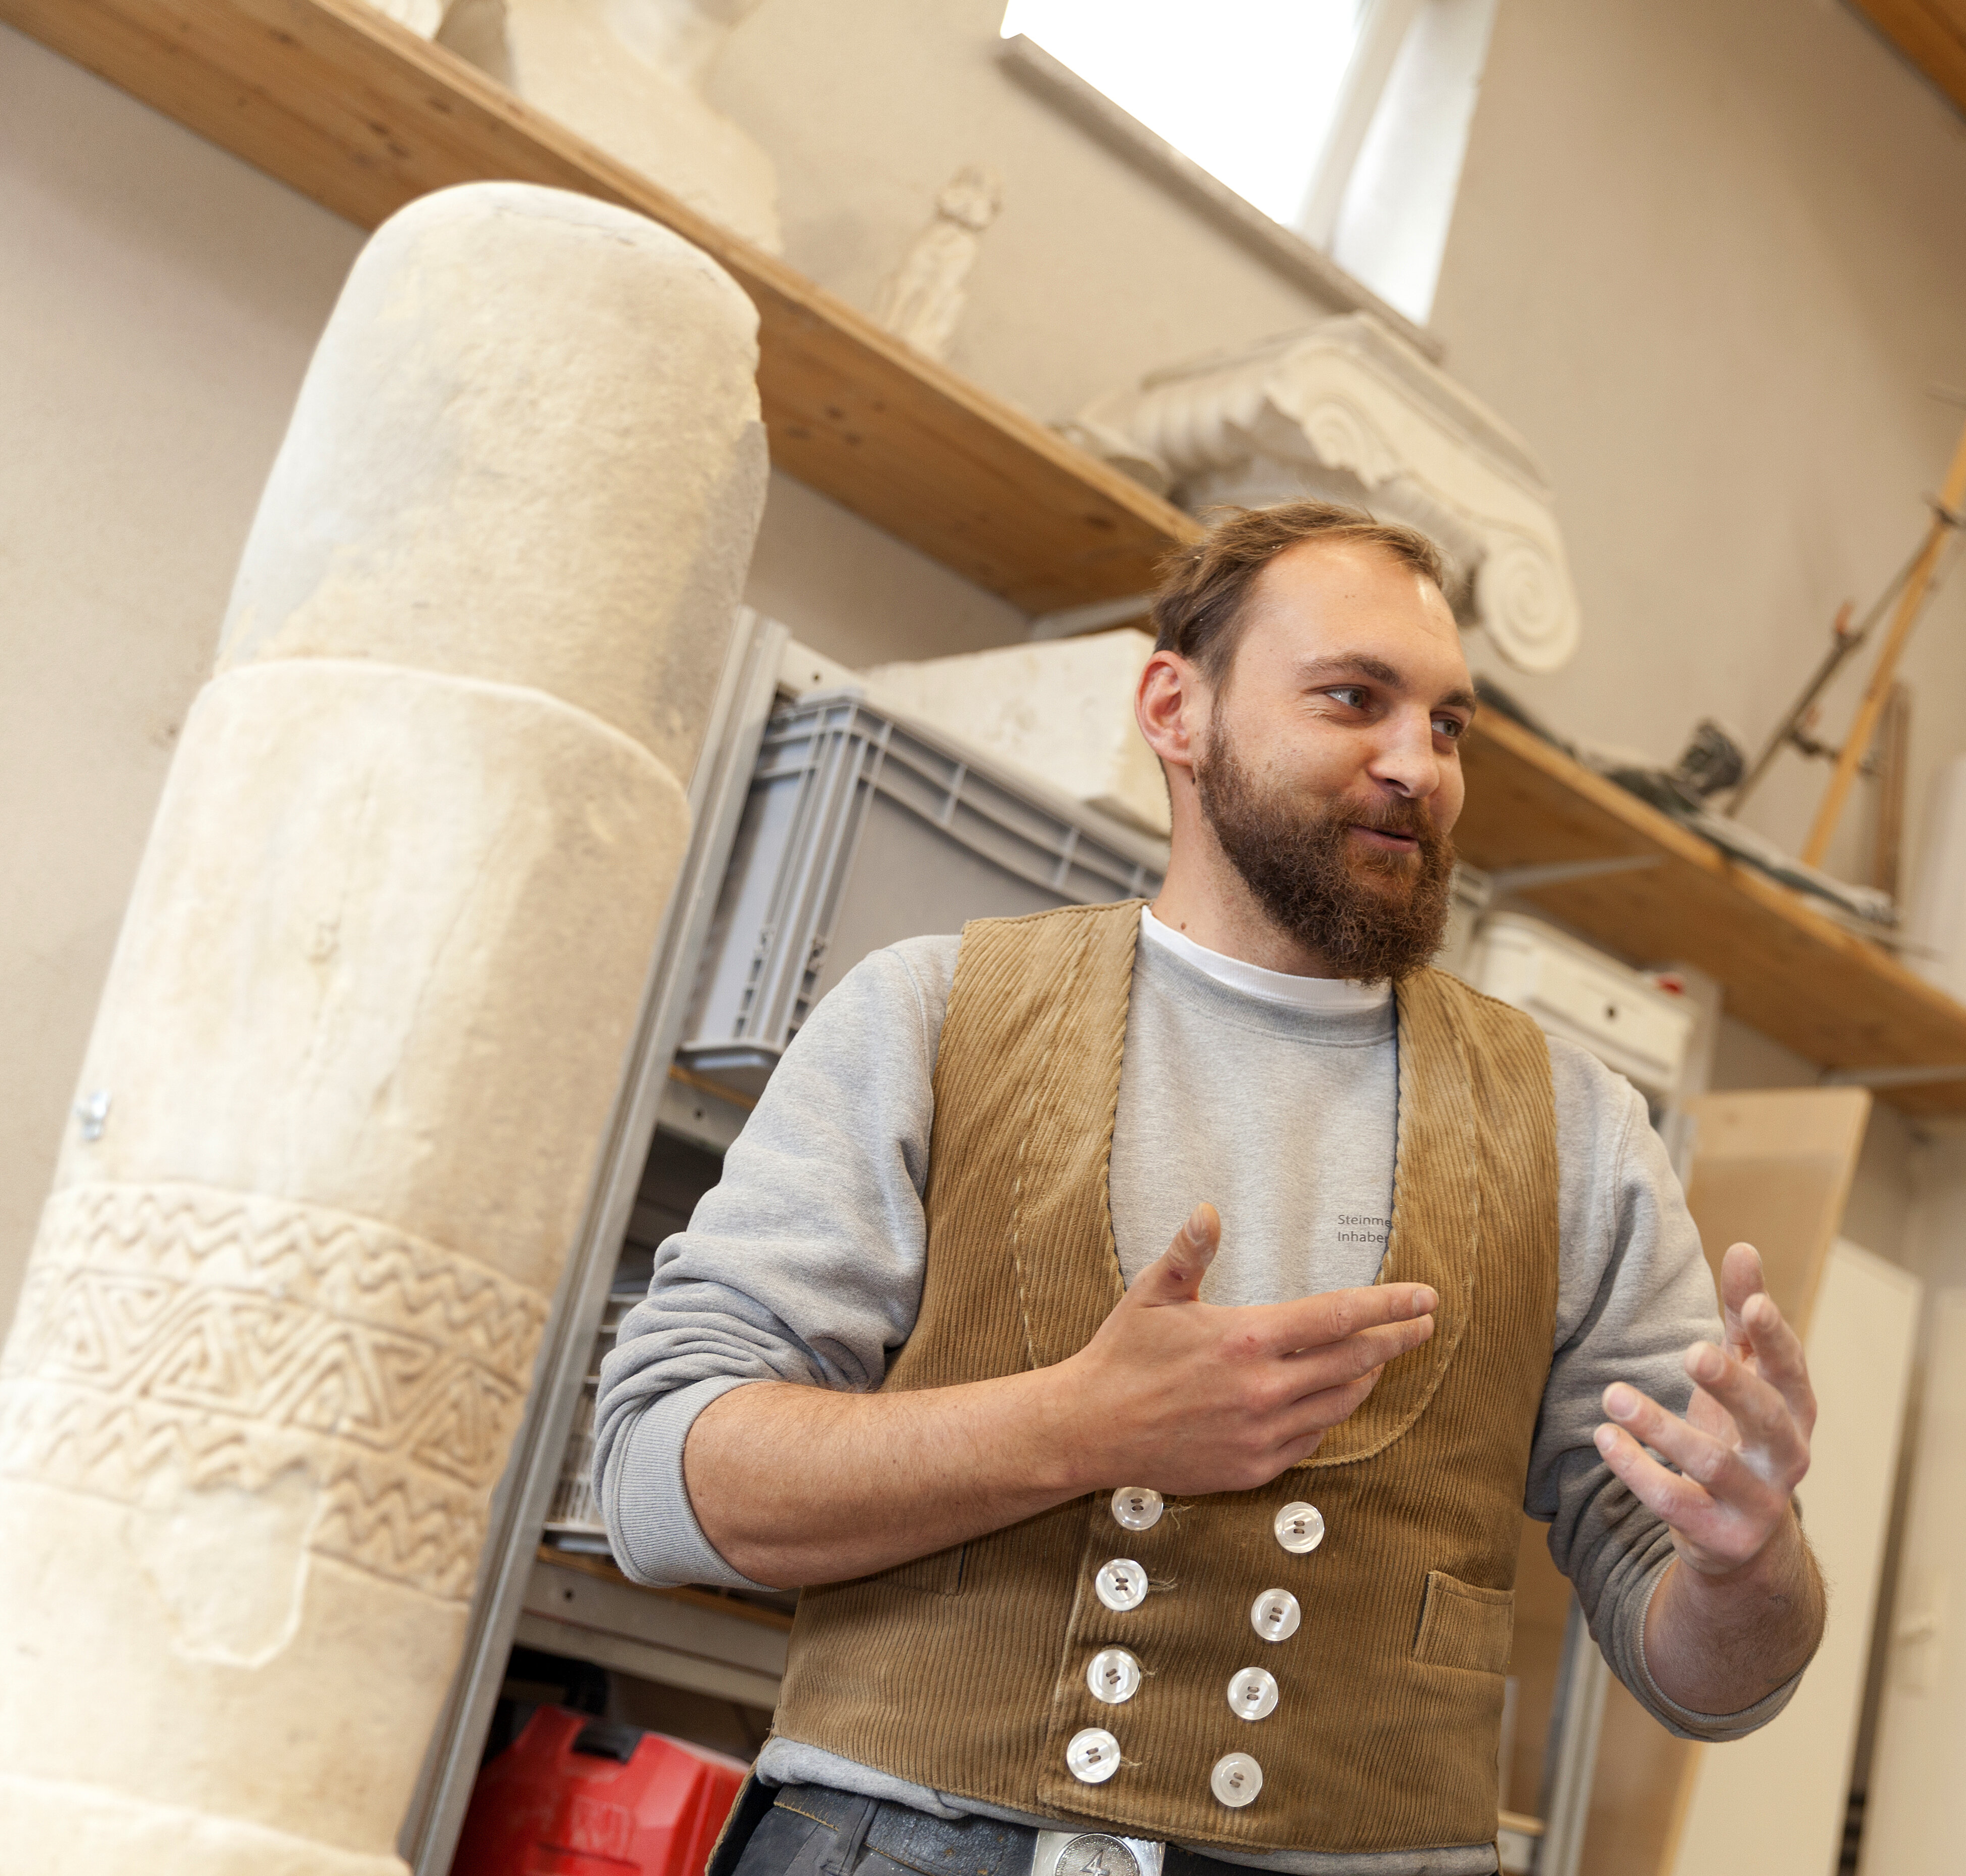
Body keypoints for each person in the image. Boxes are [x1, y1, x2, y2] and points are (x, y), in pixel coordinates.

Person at [597, 501, 1828, 1876]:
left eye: (1449, 725)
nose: (1417, 765)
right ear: (1175, 711)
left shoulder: (1576, 1125)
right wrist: (1077, 1426)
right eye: (1354, 700)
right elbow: (657, 1477)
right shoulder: (930, 1014)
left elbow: (1714, 1685)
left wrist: (1750, 1562)